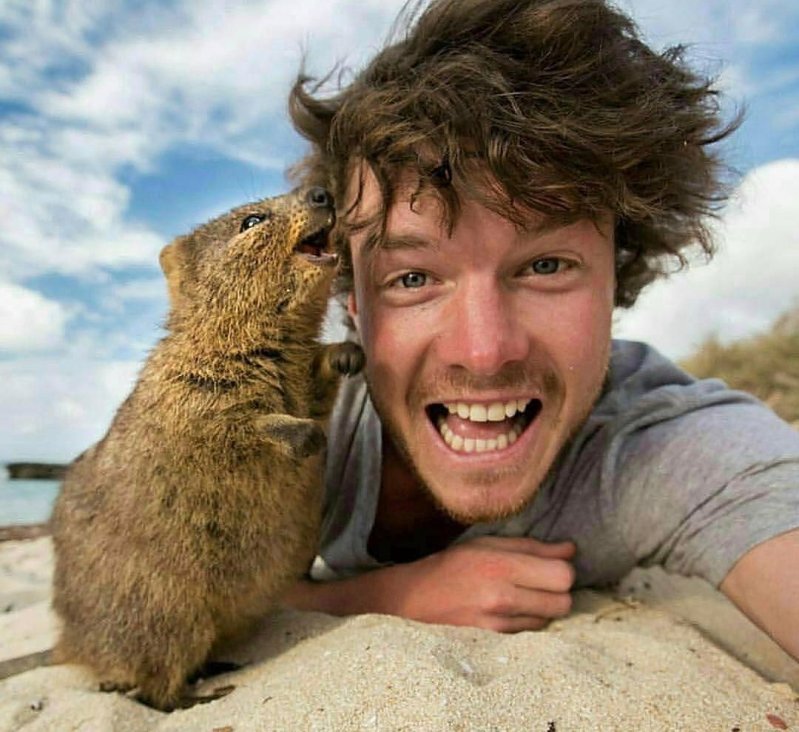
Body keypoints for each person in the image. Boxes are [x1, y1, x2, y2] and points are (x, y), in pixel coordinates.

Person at [282, 0, 799, 661]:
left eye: (545, 266)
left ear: (617, 273)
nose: (484, 351)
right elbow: (114, 584)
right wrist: (384, 596)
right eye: (412, 278)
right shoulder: (286, 425)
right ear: (351, 300)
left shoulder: (659, 448)